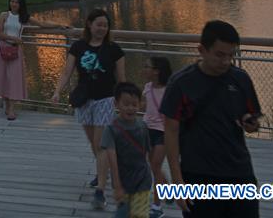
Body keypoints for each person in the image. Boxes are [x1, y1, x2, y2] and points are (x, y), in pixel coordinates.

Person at [160, 20, 262, 217]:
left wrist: (251, 123)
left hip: (239, 172)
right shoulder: (181, 83)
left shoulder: (241, 79)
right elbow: (171, 131)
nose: (225, 61)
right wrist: (177, 180)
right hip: (198, 174)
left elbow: (250, 119)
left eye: (231, 55)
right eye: (219, 54)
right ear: (202, 50)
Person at [51, 8, 126, 211]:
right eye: (98, 24)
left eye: (105, 25)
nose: (102, 28)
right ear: (89, 25)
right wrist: (58, 91)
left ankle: (100, 191)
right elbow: (67, 72)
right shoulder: (78, 46)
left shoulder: (114, 50)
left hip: (105, 100)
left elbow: (122, 80)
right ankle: (103, 172)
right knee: (93, 143)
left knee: (100, 144)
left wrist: (123, 103)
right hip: (84, 100)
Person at [0, 0, 65, 120]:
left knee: (13, 79)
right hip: (2, 48)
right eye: (12, 1)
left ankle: (12, 108)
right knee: (3, 78)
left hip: (15, 51)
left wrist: (59, 25)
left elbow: (42, 23)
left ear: (21, 4)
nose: (13, 4)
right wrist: (14, 38)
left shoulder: (24, 17)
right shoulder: (4, 15)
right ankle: (7, 106)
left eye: (16, 2)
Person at [101, 82, 153, 218]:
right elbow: (111, 159)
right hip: (123, 182)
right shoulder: (111, 129)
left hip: (143, 179)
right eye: (126, 104)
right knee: (124, 214)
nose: (130, 108)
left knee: (140, 215)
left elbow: (147, 155)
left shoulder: (143, 127)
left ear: (140, 104)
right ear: (116, 103)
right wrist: (117, 185)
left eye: (134, 104)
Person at [142, 56, 173, 218]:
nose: (144, 70)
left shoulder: (169, 90)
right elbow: (145, 107)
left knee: (155, 165)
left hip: (163, 132)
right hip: (148, 130)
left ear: (156, 71)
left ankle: (156, 206)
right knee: (153, 165)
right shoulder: (147, 87)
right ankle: (169, 190)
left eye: (147, 67)